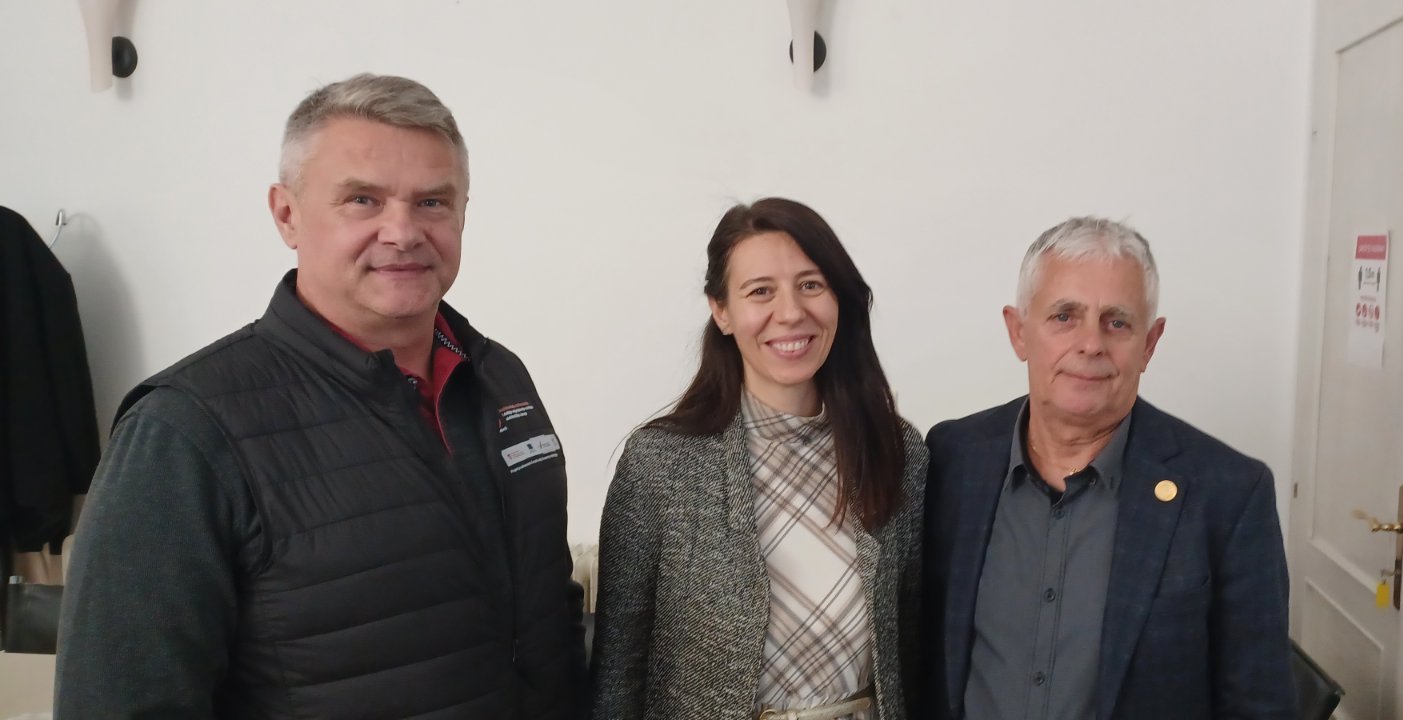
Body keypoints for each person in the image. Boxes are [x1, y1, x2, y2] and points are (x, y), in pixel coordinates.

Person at [54, 73, 586, 719]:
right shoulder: (184, 431)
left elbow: (547, 611)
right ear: (287, 214)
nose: (403, 231)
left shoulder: (501, 379)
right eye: (363, 200)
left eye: (432, 202)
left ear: (463, 213)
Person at [920, 217, 1294, 719]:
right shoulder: (953, 458)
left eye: (1117, 322)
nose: (1091, 344)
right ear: (1018, 332)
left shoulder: (1229, 495)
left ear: (1150, 344)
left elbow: (1260, 704)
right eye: (1064, 316)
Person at [590, 198, 927, 719]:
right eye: (760, 291)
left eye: (811, 284)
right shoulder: (659, 464)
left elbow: (914, 649)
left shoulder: (897, 452)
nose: (790, 312)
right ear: (721, 311)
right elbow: (618, 671)